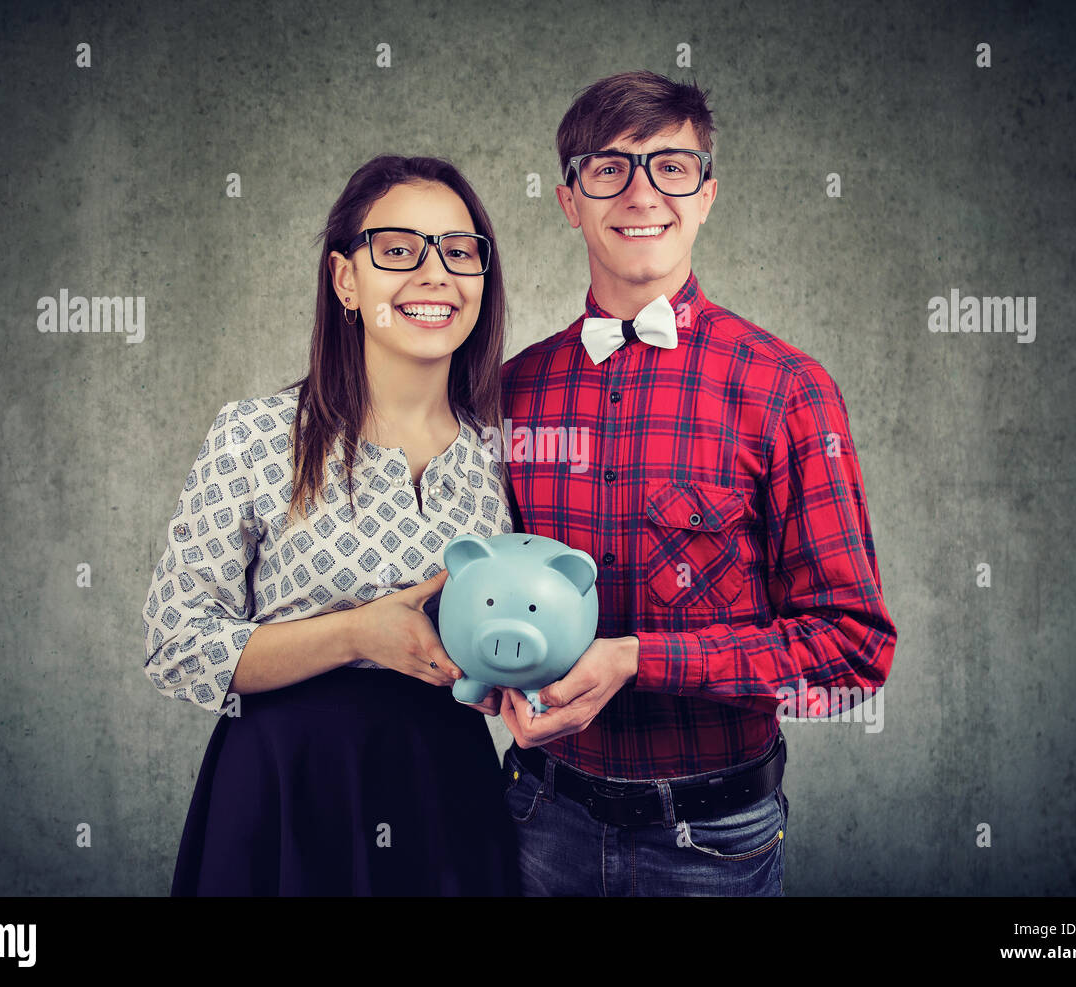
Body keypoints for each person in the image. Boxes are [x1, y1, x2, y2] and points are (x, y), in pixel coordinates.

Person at [489, 71, 898, 896]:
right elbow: (480, 591)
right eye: (608, 168)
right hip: (538, 823)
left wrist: (641, 659)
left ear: (706, 193)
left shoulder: (787, 389)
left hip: (711, 847)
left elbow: (854, 650)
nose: (641, 191)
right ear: (570, 200)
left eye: (671, 166)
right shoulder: (509, 391)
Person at [140, 155, 522, 896]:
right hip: (286, 793)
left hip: (447, 795)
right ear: (346, 279)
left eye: (459, 249)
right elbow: (173, 641)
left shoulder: (502, 451)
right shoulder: (256, 436)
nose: (435, 273)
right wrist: (355, 633)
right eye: (399, 250)